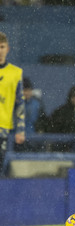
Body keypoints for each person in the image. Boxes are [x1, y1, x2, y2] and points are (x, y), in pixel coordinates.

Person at [0, 32, 25, 176]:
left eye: (2, 47)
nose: (0, 51)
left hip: (2, 128)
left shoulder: (15, 73)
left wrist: (20, 129)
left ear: (7, 49)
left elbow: (20, 103)